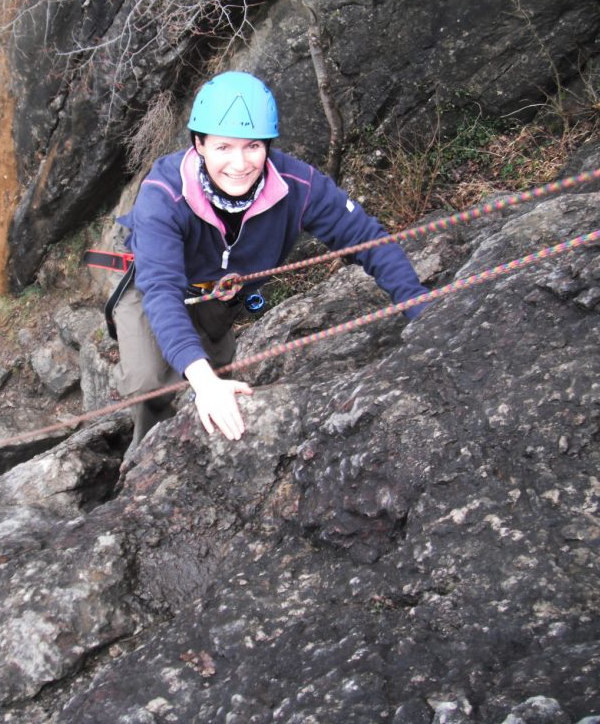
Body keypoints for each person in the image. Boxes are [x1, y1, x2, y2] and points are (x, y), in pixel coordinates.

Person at [110, 71, 429, 449]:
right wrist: (205, 382)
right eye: (223, 147)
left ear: (267, 146)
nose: (240, 163)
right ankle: (147, 454)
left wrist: (417, 303)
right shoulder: (164, 193)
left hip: (218, 297)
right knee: (150, 382)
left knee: (217, 368)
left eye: (253, 147)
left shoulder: (296, 185)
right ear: (198, 144)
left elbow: (366, 237)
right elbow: (161, 290)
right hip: (156, 287)